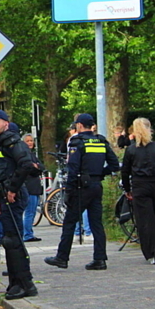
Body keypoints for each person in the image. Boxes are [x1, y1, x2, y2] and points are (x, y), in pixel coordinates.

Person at [45, 113, 119, 271]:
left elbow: (73, 168)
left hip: (80, 187)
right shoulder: (101, 140)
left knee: (70, 222)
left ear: (79, 125)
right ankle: (100, 259)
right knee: (96, 224)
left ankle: (62, 257)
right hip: (96, 185)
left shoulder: (77, 142)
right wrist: (100, 174)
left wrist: (69, 190)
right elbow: (114, 165)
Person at [0, 110, 38, 300]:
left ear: (6, 123)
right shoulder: (2, 142)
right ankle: (17, 283)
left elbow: (26, 165)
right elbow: (3, 171)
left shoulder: (12, 141)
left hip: (13, 196)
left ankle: (25, 284)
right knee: (10, 241)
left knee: (13, 241)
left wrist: (13, 189)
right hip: (5, 196)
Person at [121, 118, 155, 263]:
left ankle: (149, 252)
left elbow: (125, 171)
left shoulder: (131, 149)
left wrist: (127, 189)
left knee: (144, 220)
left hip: (140, 185)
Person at [21, 133, 43, 243]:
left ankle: (28, 232)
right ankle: (27, 234)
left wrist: (37, 166)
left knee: (33, 211)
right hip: (29, 186)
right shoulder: (24, 155)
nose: (30, 143)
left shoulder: (32, 154)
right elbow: (31, 169)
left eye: (31, 141)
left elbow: (41, 167)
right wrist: (36, 167)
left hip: (35, 186)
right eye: (28, 141)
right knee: (29, 212)